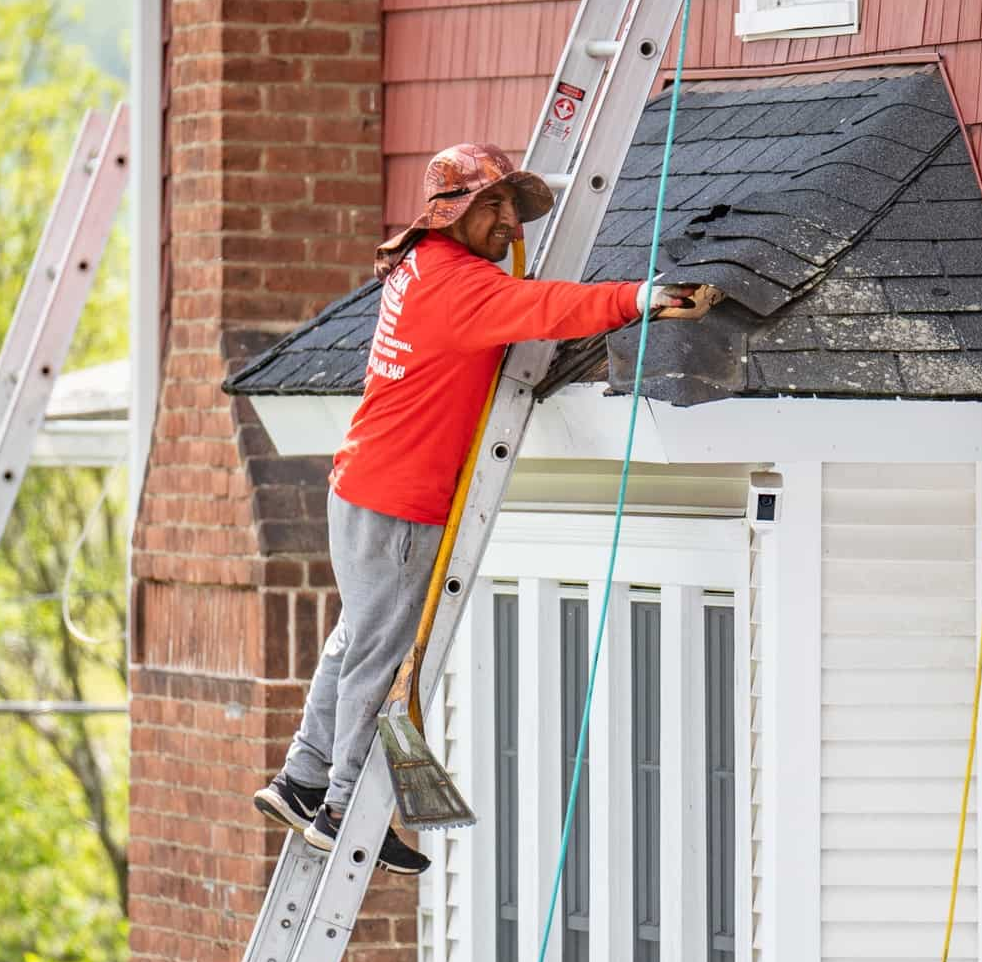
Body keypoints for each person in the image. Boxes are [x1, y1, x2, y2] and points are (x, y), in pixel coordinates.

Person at [253, 143, 717, 874]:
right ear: (451, 213)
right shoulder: (458, 286)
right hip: (401, 501)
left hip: (363, 486)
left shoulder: (419, 268)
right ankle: (343, 807)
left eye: (513, 209)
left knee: (354, 638)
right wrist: (642, 297)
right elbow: (546, 308)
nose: (507, 222)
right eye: (492, 207)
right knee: (378, 654)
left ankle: (303, 779)